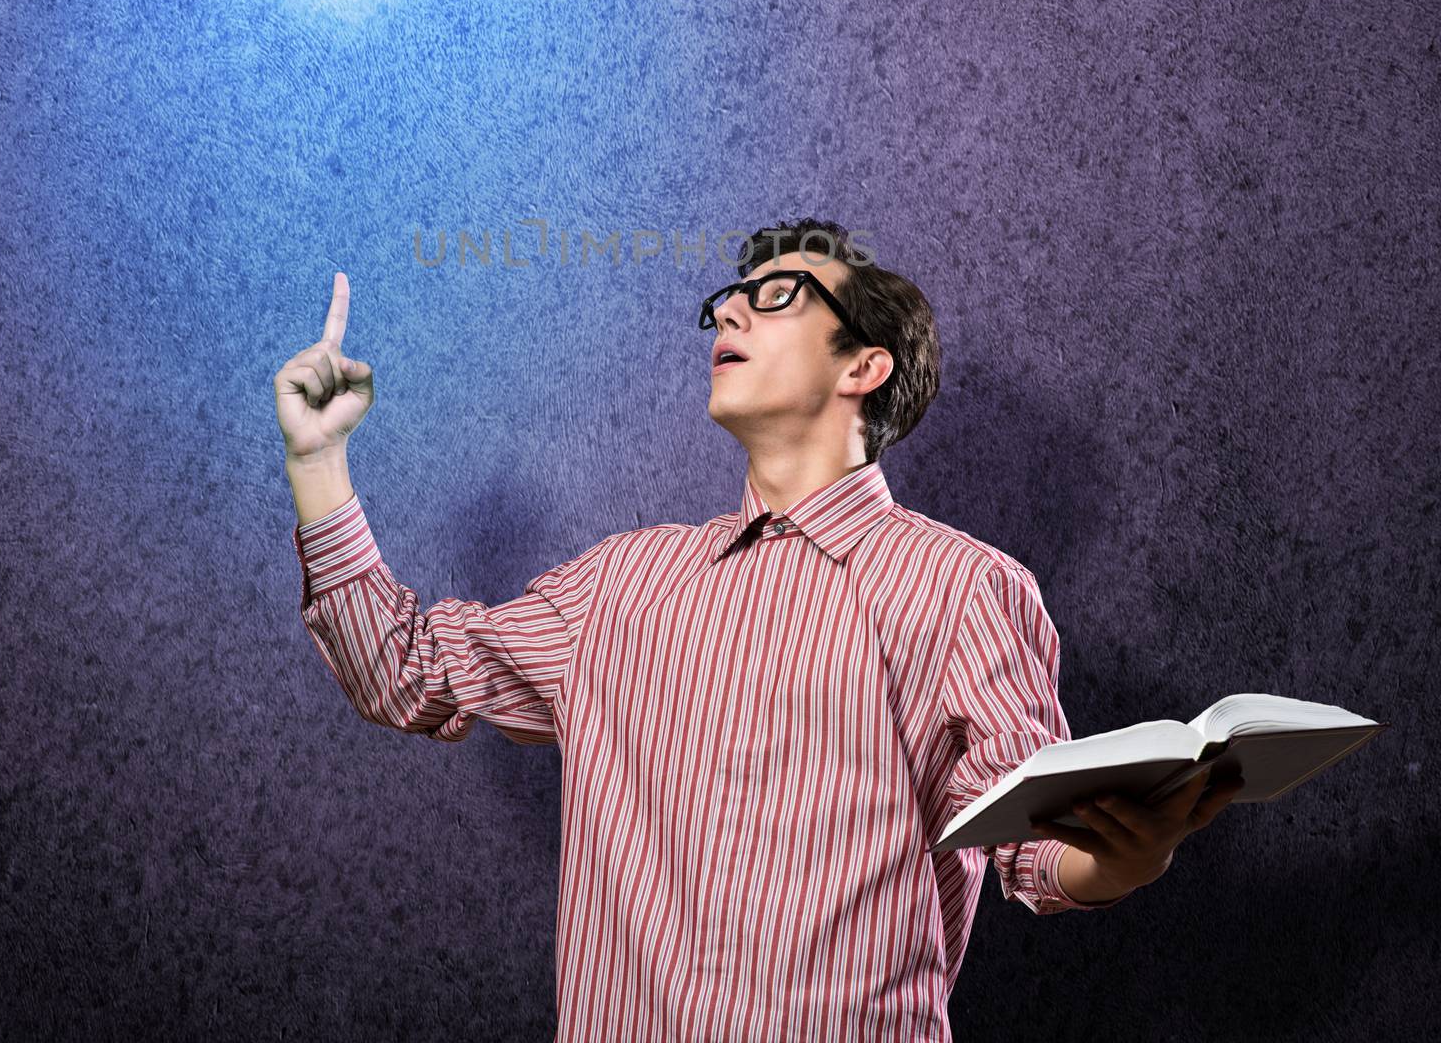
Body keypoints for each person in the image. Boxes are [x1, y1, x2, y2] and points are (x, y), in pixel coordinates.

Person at [273, 218, 1242, 1041]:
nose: (728, 310)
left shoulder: (963, 587)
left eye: (774, 296)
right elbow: (401, 671)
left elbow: (1032, 846)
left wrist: (1125, 854)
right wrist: (317, 462)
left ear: (864, 364)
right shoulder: (620, 583)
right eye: (726, 301)